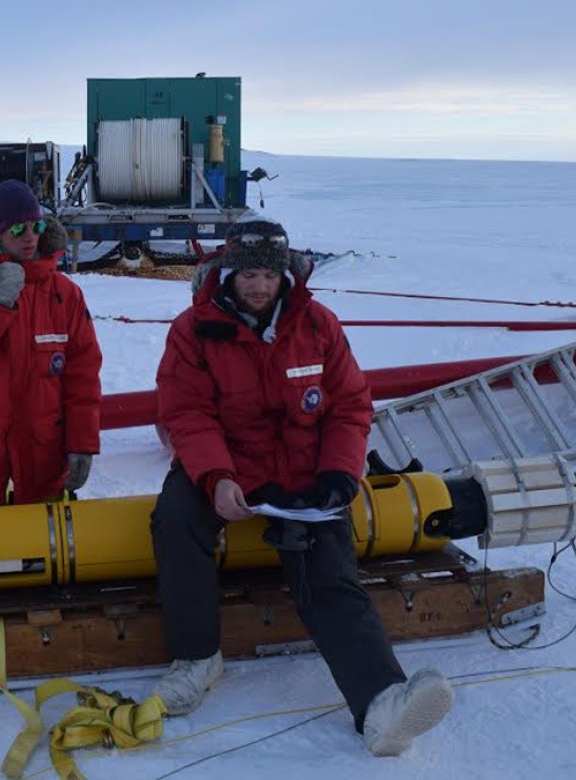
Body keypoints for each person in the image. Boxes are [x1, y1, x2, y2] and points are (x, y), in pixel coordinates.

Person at [148, 217, 453, 756]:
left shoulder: (317, 324)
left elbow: (350, 405)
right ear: (228, 273)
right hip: (226, 463)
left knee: (330, 569)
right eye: (248, 276)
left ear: (285, 273)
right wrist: (217, 478)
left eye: (268, 275)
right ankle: (197, 658)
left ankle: (382, 705)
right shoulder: (193, 329)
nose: (259, 287)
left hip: (301, 470)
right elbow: (186, 412)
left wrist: (339, 471)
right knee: (175, 521)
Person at [0, 179, 102, 507]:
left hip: (42, 451)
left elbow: (82, 376)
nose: (30, 237)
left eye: (36, 225)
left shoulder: (64, 295)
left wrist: (82, 441)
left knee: (45, 552)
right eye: (17, 229)